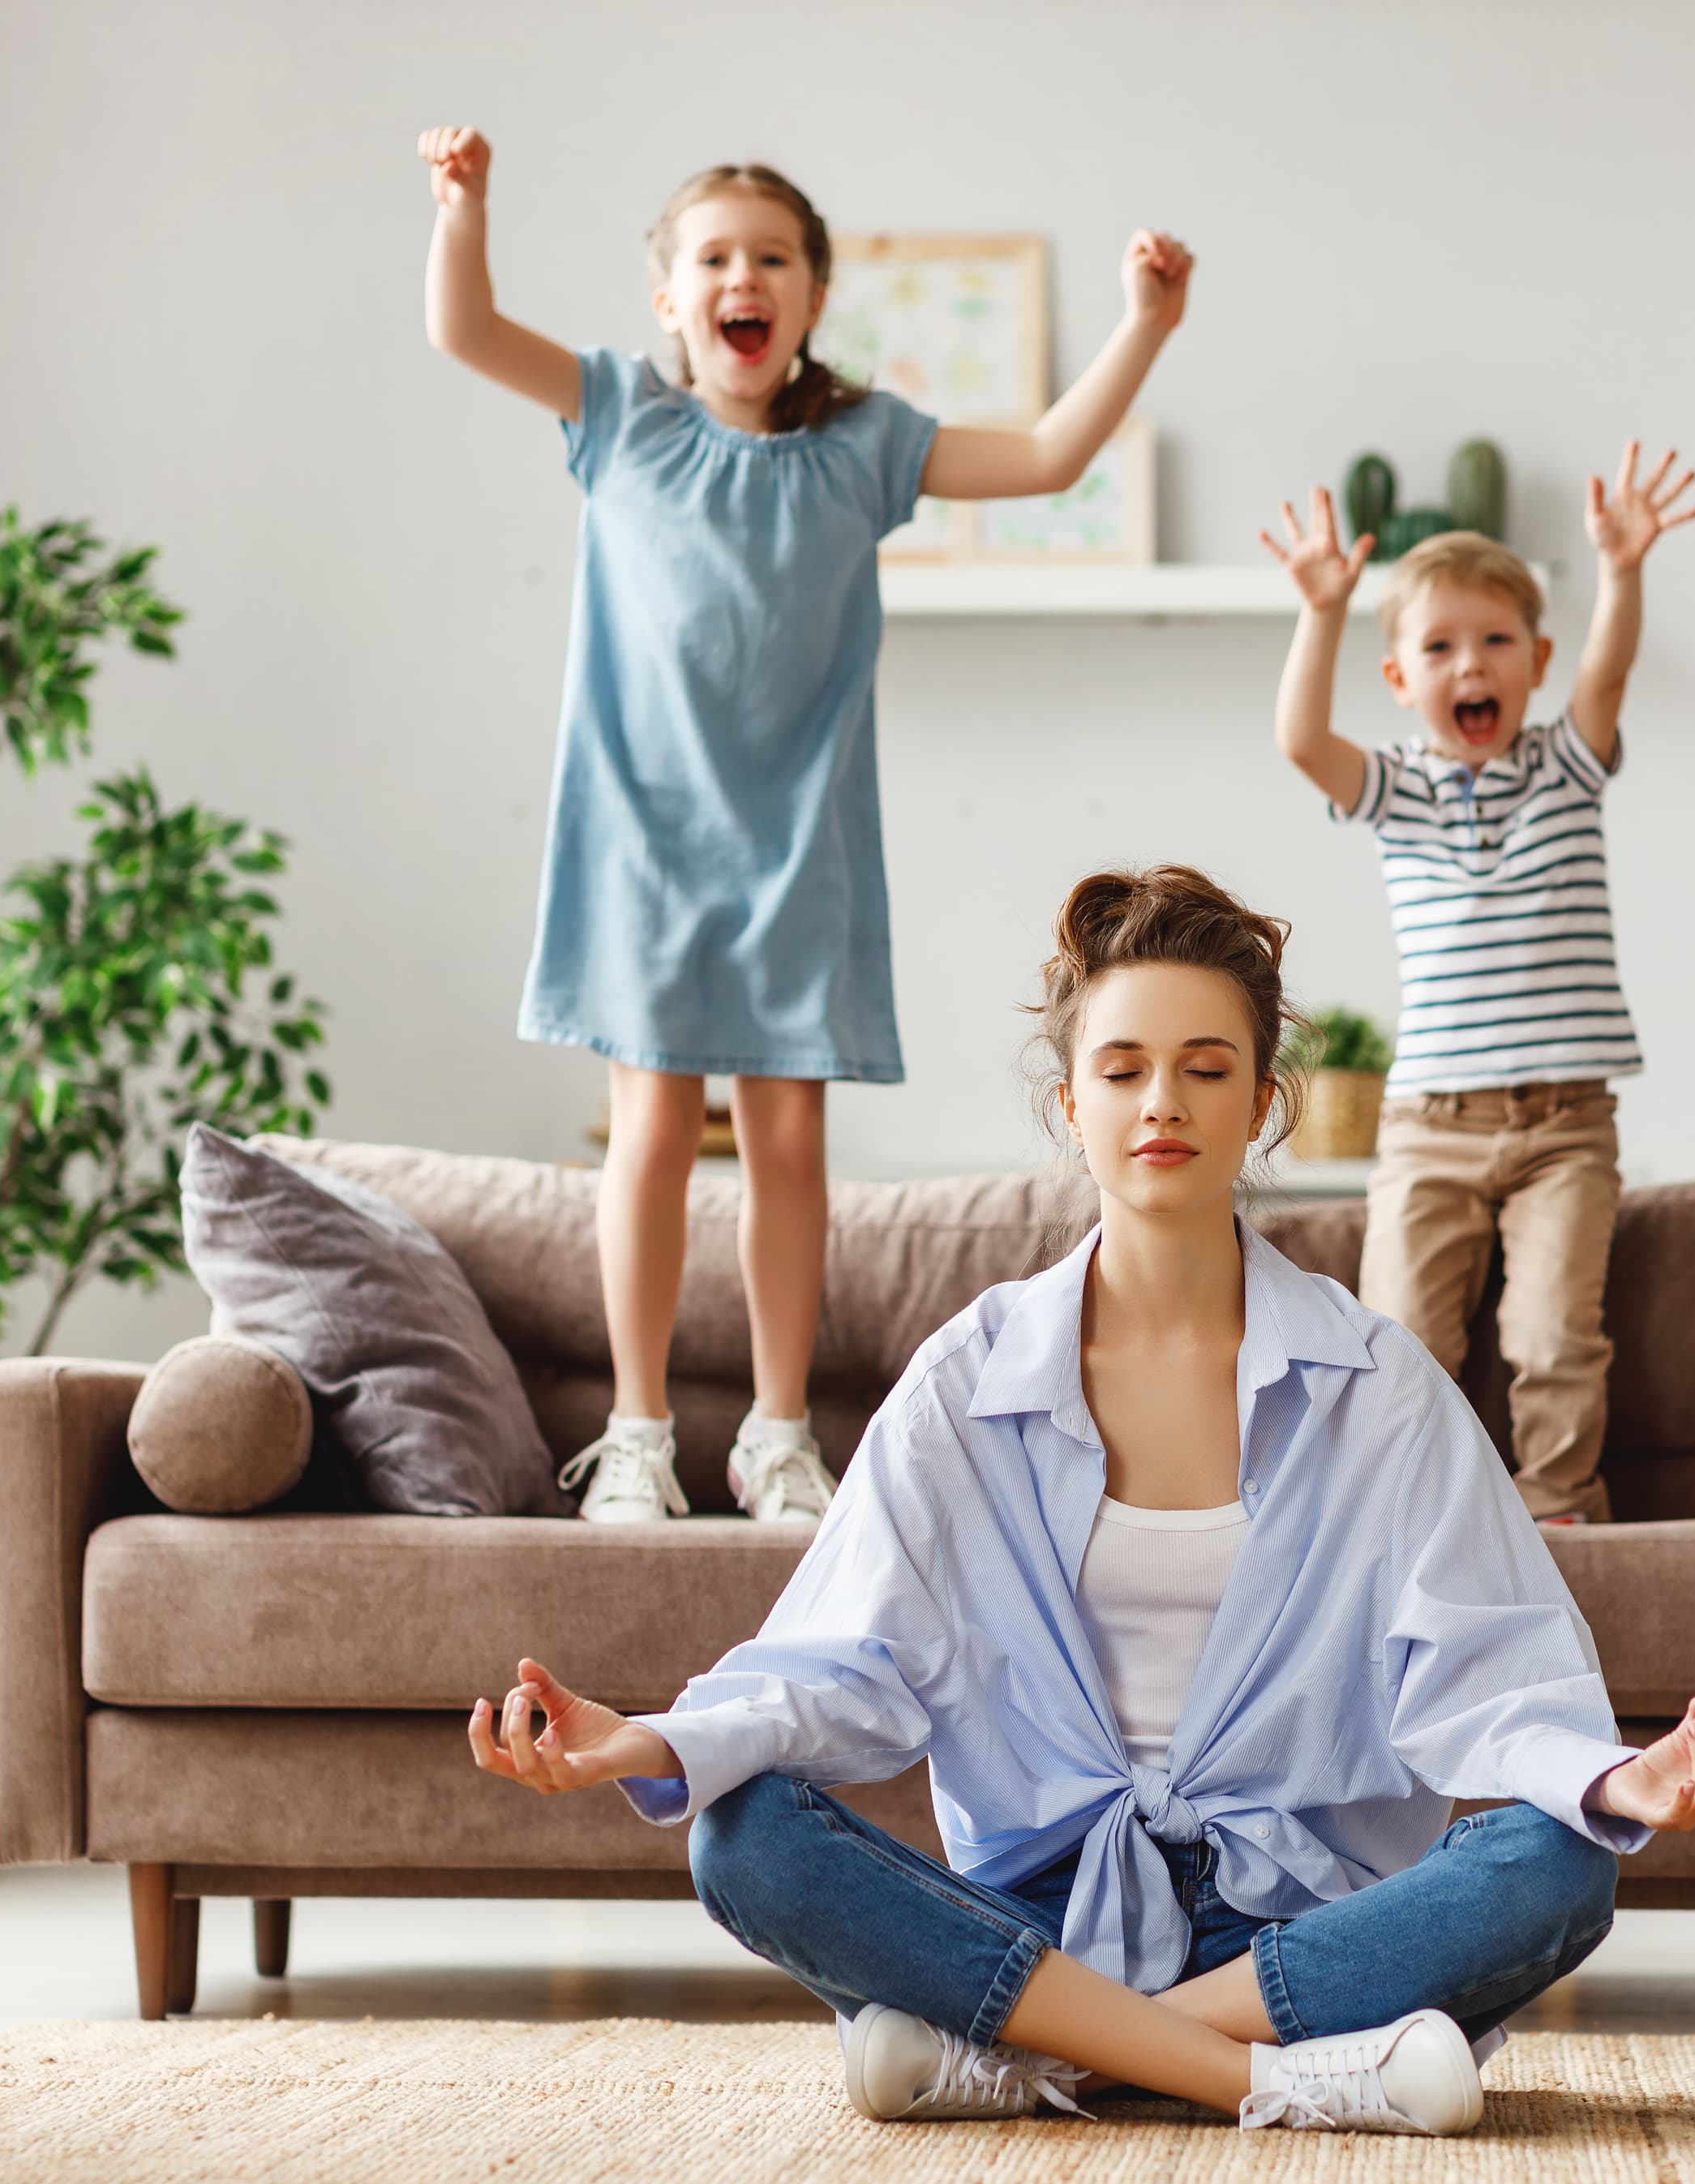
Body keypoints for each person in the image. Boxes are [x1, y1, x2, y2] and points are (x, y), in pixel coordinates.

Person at [466, 865, 1695, 2135]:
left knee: (1560, 1863)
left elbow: (1486, 1673)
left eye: (1208, 1069)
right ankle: (1274, 2078)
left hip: (1296, 1925)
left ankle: (1035, 2057)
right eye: (1125, 1069)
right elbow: (843, 1662)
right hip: (1036, 1914)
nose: (1166, 1103)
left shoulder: (1375, 1385)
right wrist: (646, 1744)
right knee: (739, 1832)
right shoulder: (967, 1380)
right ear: (1072, 1103)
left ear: (1266, 1103)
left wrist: (1619, 1778)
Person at [418, 129, 1194, 1525]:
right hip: (643, 847)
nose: (744, 276)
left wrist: (1143, 324)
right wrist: (462, 205)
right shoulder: (618, 418)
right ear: (672, 301)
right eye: (713, 257)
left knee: (787, 1147)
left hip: (799, 856)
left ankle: (777, 1435)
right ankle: (639, 1434)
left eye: (771, 257)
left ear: (812, 299)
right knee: (648, 1132)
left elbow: (1048, 454)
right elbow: (461, 326)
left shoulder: (862, 449)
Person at [1257, 453, 1695, 1522]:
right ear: (1402, 679)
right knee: (1399, 1338)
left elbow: (1611, 674)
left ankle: (1556, 1511)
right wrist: (1323, 611)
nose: (1473, 664)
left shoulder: (1567, 764)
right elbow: (1302, 741)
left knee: (1553, 1339)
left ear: (1537, 661)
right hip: (1430, 1126)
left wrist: (1622, 570)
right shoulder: (1398, 791)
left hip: (1565, 1127)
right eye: (1441, 646)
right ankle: (1402, 1515)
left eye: (1497, 641)